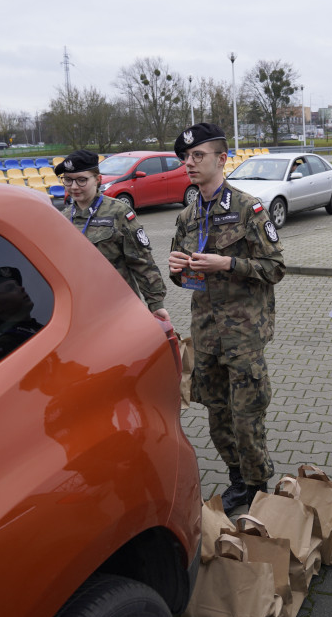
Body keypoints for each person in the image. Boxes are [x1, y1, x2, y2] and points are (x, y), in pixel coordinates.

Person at [166, 123, 285, 514]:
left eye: (198, 156)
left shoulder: (249, 209)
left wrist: (228, 262)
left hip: (243, 334)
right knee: (218, 416)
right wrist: (176, 269)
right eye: (186, 157)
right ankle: (237, 477)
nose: (189, 163)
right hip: (206, 333)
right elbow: (182, 274)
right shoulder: (187, 216)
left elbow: (274, 267)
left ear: (222, 159)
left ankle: (257, 485)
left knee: (247, 416)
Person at [57, 149, 168, 320]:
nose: (73, 187)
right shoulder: (63, 218)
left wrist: (156, 304)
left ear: (98, 180)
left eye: (81, 180)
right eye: (68, 180)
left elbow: (141, 261)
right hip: (81, 308)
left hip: (119, 307)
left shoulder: (119, 212)